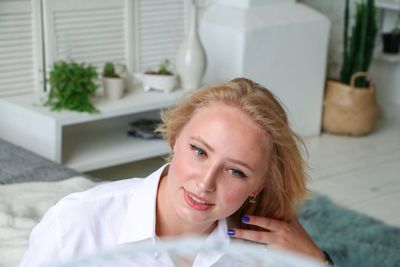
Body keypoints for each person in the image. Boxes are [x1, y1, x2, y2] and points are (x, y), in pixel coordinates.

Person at [20, 78, 333, 267]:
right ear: (174, 139)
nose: (205, 182)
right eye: (199, 152)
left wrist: (318, 261)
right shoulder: (76, 226)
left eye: (235, 171)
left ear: (258, 186)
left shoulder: (260, 253)